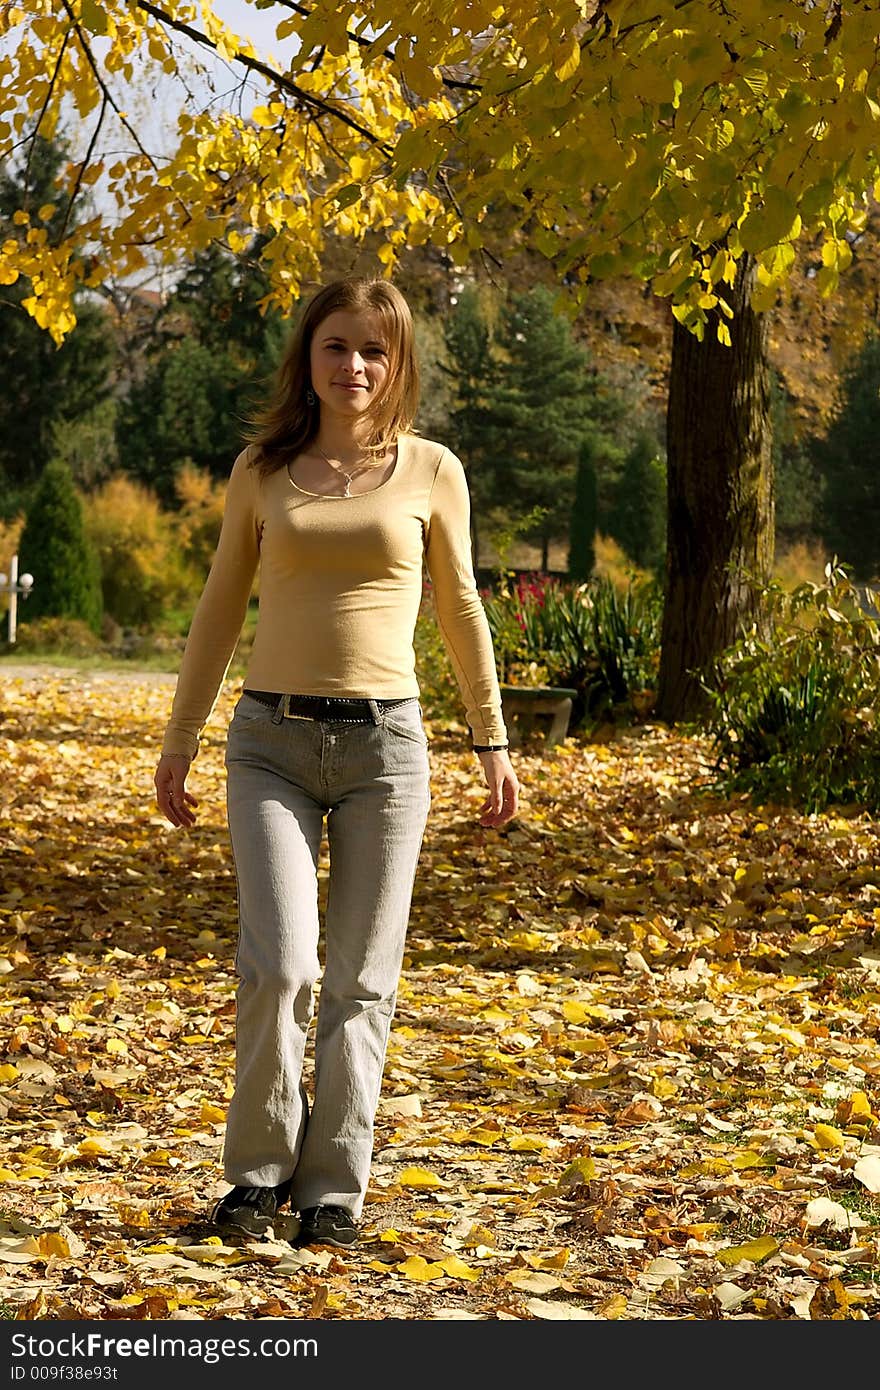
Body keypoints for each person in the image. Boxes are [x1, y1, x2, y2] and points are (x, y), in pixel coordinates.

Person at [153, 277, 519, 1250]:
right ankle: (257, 1175)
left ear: (396, 363)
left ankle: (332, 1189)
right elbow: (219, 607)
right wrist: (179, 738)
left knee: (361, 977)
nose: (353, 366)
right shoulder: (261, 471)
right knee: (281, 965)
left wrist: (492, 741)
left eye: (373, 349)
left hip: (385, 752)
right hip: (268, 741)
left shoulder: (433, 470)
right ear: (306, 359)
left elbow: (462, 608)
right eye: (335, 347)